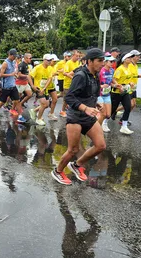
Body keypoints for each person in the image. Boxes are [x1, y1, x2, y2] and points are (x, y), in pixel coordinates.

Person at [51, 48, 106, 185]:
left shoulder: (95, 75)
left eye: (103, 61)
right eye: (100, 61)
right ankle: (57, 171)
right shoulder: (80, 75)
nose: (102, 64)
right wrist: (85, 108)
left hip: (89, 116)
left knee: (100, 145)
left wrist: (96, 103)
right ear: (90, 61)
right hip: (76, 116)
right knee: (73, 150)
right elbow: (69, 97)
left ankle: (76, 165)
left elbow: (92, 93)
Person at [0, 49, 26, 123]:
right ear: (10, 55)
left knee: (17, 101)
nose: (15, 58)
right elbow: (1, 75)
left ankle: (20, 116)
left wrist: (15, 75)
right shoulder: (5, 63)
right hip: (6, 87)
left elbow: (13, 72)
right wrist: (11, 74)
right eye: (14, 56)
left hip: (13, 85)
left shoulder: (13, 62)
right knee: (2, 102)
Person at [111, 52, 135, 135]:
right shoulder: (120, 69)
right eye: (128, 58)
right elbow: (114, 79)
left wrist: (131, 83)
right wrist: (119, 86)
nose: (130, 59)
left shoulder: (129, 68)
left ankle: (124, 127)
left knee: (128, 107)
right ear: (124, 59)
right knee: (113, 109)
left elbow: (129, 79)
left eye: (131, 58)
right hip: (117, 92)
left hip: (125, 91)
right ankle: (104, 122)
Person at [97, 54, 120, 132]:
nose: (112, 63)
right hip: (99, 94)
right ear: (105, 62)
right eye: (111, 61)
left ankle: (102, 123)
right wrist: (101, 86)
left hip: (107, 94)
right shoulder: (100, 71)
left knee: (108, 115)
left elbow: (112, 81)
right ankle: (96, 128)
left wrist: (116, 85)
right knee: (102, 113)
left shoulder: (112, 70)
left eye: (113, 61)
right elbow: (95, 83)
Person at [29, 54, 53, 125]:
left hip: (45, 89)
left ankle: (34, 110)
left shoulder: (50, 68)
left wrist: (45, 88)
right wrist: (32, 86)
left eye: (50, 60)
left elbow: (49, 79)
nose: (49, 62)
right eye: (48, 60)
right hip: (38, 88)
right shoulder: (38, 67)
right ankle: (38, 119)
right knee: (43, 103)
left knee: (46, 105)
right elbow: (29, 76)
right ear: (44, 60)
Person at [61, 50, 80, 117]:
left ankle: (72, 110)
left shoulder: (78, 63)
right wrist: (73, 78)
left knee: (75, 97)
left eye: (78, 56)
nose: (78, 57)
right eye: (76, 56)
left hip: (75, 84)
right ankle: (62, 111)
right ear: (72, 56)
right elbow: (65, 73)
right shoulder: (68, 63)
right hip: (68, 84)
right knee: (66, 99)